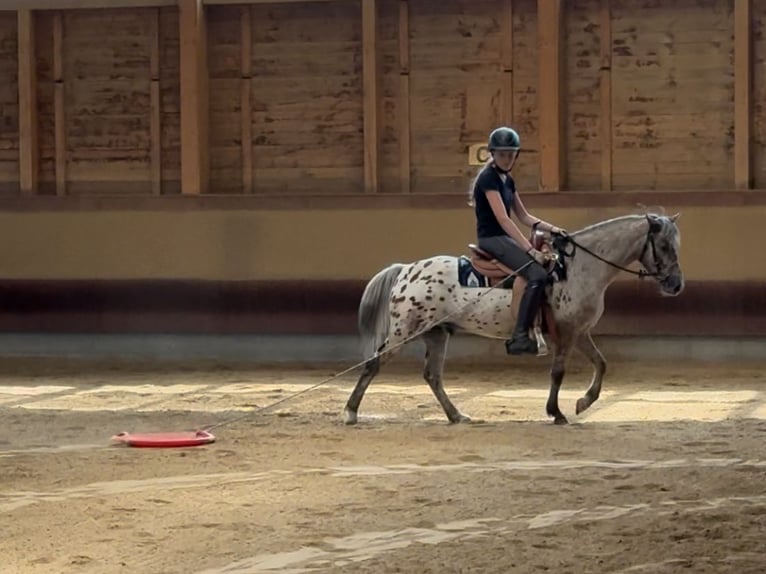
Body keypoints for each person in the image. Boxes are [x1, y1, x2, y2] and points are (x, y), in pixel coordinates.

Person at [469, 126, 565, 355]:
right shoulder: (488, 179)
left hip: (503, 237)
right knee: (537, 274)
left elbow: (523, 216)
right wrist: (530, 250)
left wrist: (554, 229)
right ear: (493, 153)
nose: (507, 158)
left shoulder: (508, 180)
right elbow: (504, 219)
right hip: (492, 239)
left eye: (511, 154)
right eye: (502, 154)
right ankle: (519, 336)